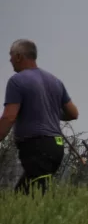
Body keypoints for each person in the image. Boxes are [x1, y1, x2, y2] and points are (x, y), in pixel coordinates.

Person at [0, 39, 79, 195]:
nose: (9, 60)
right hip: (56, 146)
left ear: (18, 56)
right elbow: (73, 113)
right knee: (26, 196)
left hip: (36, 147)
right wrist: (49, 112)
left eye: (10, 55)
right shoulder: (55, 81)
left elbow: (9, 117)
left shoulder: (17, 81)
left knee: (30, 198)